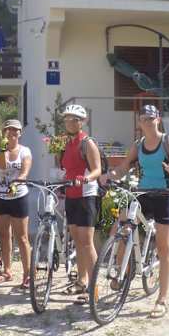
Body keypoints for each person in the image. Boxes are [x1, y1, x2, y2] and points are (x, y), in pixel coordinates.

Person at [100, 104, 169, 318]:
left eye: (151, 118)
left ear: (158, 119)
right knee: (121, 227)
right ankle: (122, 273)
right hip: (142, 193)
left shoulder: (168, 141)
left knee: (164, 248)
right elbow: (124, 167)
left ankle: (161, 300)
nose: (147, 122)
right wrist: (110, 175)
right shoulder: (138, 145)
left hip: (166, 195)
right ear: (139, 122)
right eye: (143, 119)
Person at [59, 104, 102, 305]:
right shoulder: (66, 143)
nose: (70, 122)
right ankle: (82, 280)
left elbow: (97, 170)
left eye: (74, 119)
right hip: (71, 195)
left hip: (86, 194)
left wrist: (85, 179)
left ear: (82, 122)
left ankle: (94, 288)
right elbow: (66, 168)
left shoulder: (87, 143)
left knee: (86, 241)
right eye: (67, 118)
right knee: (77, 241)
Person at [0, 119, 32, 289]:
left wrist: (18, 181)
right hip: (0, 196)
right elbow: (1, 165)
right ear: (4, 132)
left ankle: (28, 274)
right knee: (4, 235)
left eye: (15, 130)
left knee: (22, 237)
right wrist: (2, 149)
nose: (12, 133)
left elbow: (25, 171)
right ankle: (7, 271)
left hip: (19, 196)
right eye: (9, 130)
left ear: (20, 133)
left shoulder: (25, 150)